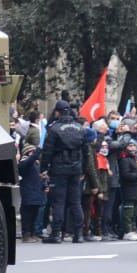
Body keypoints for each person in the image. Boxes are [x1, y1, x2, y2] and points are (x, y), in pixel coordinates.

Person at [39, 101, 93, 244]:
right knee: (76, 202)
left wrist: (43, 168)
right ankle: (78, 234)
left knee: (59, 202)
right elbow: (86, 152)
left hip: (59, 169)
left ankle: (56, 234)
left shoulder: (54, 129)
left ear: (58, 112)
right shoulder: (80, 128)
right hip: (76, 169)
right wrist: (84, 169)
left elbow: (47, 151)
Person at [17, 141, 44, 243]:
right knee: (27, 216)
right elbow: (30, 160)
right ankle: (26, 235)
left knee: (34, 215)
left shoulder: (35, 164)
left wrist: (44, 185)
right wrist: (38, 150)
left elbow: (38, 178)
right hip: (28, 193)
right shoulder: (24, 163)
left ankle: (32, 233)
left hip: (36, 193)